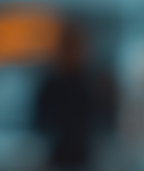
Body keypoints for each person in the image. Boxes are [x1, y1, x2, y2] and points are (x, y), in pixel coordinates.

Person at [34, 23, 117, 169]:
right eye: (69, 46)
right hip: (58, 157)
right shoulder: (52, 84)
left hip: (85, 158)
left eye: (76, 46)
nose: (73, 52)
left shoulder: (91, 82)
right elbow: (40, 121)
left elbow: (104, 119)